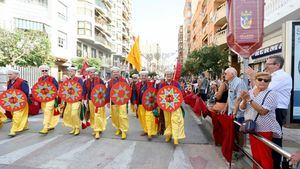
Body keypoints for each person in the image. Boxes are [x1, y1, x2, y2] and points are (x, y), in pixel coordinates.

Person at [247, 55, 293, 168]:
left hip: (276, 109)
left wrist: (254, 77)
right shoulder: (272, 75)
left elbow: (263, 87)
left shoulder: (281, 76)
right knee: (264, 143)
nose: (266, 66)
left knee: (273, 141)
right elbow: (256, 90)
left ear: (277, 65)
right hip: (265, 109)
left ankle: (275, 165)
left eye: (268, 64)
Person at [239, 72, 282, 169]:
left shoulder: (272, 94)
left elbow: (263, 111)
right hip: (251, 127)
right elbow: (242, 108)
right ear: (255, 80)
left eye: (266, 80)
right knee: (256, 156)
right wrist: (244, 100)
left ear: (269, 82)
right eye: (260, 79)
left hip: (265, 129)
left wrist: (249, 100)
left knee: (265, 157)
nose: (262, 81)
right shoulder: (251, 92)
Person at [158, 69, 185, 145]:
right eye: (167, 74)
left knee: (175, 120)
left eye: (170, 74)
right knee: (167, 121)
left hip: (175, 106)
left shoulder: (176, 84)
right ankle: (168, 135)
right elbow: (159, 95)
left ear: (172, 75)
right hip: (166, 106)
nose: (168, 76)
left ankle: (175, 137)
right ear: (165, 76)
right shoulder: (162, 85)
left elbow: (179, 94)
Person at [132, 71, 157, 140]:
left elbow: (155, 92)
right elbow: (134, 94)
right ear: (140, 77)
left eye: (145, 76)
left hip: (149, 105)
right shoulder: (137, 84)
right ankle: (146, 130)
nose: (143, 77)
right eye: (142, 76)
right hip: (140, 105)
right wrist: (134, 103)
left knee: (149, 118)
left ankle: (150, 133)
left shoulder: (151, 84)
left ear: (147, 77)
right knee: (142, 119)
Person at [83, 67, 106, 139]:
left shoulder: (100, 80)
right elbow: (84, 91)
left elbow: (104, 89)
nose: (92, 74)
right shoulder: (86, 82)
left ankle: (97, 131)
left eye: (93, 72)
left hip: (98, 101)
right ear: (88, 73)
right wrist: (83, 99)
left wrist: (104, 100)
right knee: (92, 115)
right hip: (90, 100)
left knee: (97, 115)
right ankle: (95, 127)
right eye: (90, 72)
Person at [106, 67, 129, 140]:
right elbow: (108, 92)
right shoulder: (110, 82)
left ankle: (123, 131)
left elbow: (127, 90)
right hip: (113, 101)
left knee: (122, 116)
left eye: (117, 72)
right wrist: (107, 102)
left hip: (122, 101)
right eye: (114, 72)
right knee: (115, 116)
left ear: (119, 73)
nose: (115, 73)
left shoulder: (124, 80)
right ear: (112, 73)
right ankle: (118, 128)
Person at [6, 68, 30, 137]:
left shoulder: (22, 82)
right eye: (8, 74)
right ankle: (24, 126)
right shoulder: (9, 82)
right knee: (14, 114)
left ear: (16, 74)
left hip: (21, 102)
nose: (9, 75)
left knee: (17, 115)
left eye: (10, 74)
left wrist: (17, 96)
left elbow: (26, 92)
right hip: (12, 102)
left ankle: (13, 130)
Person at [37, 65, 59, 134]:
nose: (44, 72)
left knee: (47, 111)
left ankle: (45, 127)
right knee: (47, 112)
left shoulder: (52, 79)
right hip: (43, 99)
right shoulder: (39, 79)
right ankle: (51, 125)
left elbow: (56, 87)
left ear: (48, 71)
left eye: (45, 71)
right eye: (43, 71)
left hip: (51, 98)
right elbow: (38, 88)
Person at [63, 66, 83, 136]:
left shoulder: (79, 79)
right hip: (69, 100)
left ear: (75, 72)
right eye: (69, 71)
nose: (70, 72)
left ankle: (77, 128)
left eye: (71, 71)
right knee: (69, 113)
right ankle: (73, 127)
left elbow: (80, 89)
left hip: (77, 100)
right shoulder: (68, 80)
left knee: (74, 113)